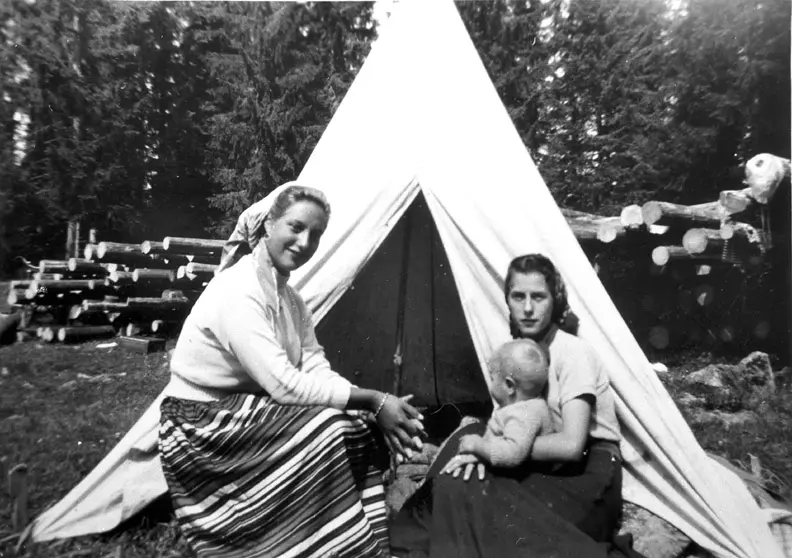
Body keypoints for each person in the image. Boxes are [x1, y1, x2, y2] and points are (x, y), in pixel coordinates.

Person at [159, 184, 426, 558]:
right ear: (268, 225)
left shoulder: (290, 298)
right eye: (295, 227)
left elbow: (313, 363)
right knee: (329, 429)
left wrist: (369, 409)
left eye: (315, 235)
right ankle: (280, 542)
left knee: (357, 426)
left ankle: (342, 543)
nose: (304, 242)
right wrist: (374, 398)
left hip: (242, 412)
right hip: (200, 424)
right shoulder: (238, 289)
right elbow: (283, 384)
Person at [390, 253, 644, 558]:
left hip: (587, 474)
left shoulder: (573, 352)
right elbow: (507, 423)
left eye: (538, 297)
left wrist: (492, 450)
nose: (527, 308)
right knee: (454, 483)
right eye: (517, 296)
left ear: (556, 299)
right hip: (537, 464)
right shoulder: (517, 353)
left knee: (472, 498)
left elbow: (571, 446)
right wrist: (486, 451)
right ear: (507, 300)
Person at [441, 338, 552, 475]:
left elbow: (513, 453)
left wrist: (478, 445)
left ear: (509, 386)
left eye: (492, 378)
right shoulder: (530, 405)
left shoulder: (522, 414)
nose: (490, 383)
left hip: (521, 475)